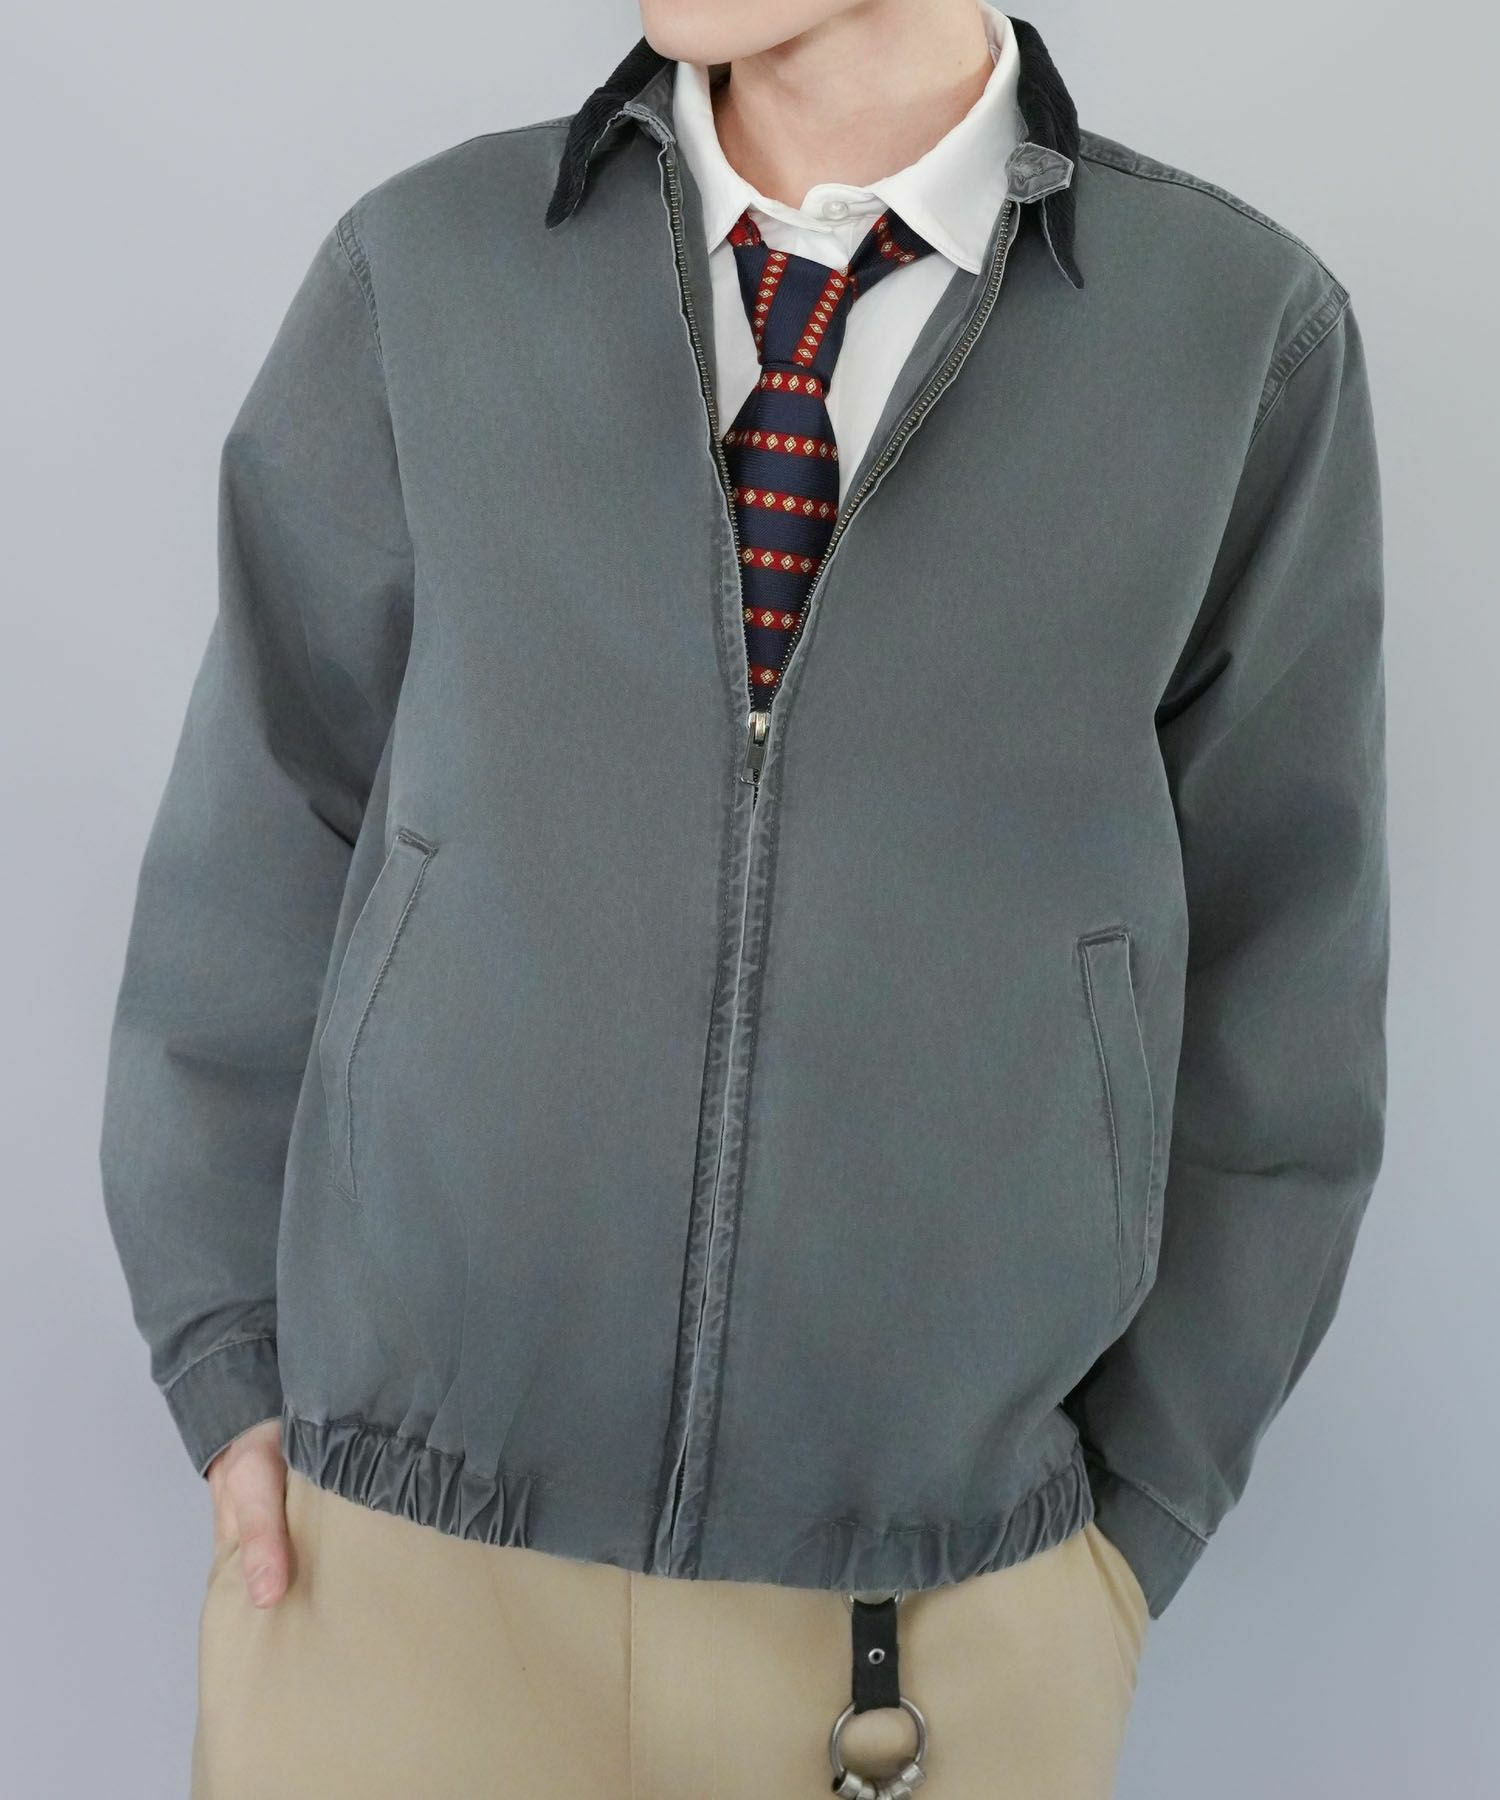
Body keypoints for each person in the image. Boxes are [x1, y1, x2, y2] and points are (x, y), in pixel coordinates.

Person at [99, 2, 1390, 1795]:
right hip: (390, 1580)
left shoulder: (1231, 334)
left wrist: (1126, 1534)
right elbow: (262, 832)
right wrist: (228, 1362)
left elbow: (1285, 973)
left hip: (938, 1630)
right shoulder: (433, 269)